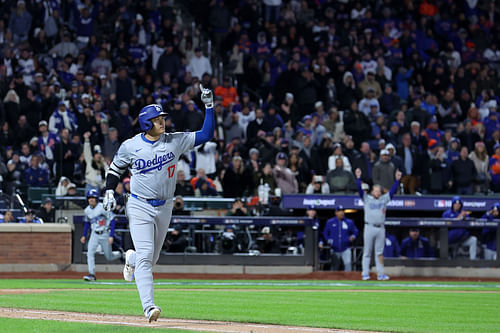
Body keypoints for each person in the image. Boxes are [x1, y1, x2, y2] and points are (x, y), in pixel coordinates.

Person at [102, 85, 214, 322]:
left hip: (165, 206)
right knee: (146, 257)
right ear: (146, 123)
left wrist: (209, 106)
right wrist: (109, 191)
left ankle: (130, 258)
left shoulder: (175, 141)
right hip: (139, 204)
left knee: (150, 259)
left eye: (162, 118)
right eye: (156, 119)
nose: (162, 122)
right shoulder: (131, 146)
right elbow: (114, 169)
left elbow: (206, 134)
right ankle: (148, 307)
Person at [355, 167, 402, 281]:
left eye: (379, 191)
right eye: (375, 190)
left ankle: (381, 274)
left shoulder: (383, 199)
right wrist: (358, 178)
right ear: (372, 191)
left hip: (380, 227)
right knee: (367, 251)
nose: (377, 192)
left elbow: (392, 192)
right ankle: (365, 274)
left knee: (379, 252)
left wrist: (397, 180)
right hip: (369, 226)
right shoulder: (367, 198)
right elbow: (360, 190)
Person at [80, 189, 122, 282]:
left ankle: (120, 254)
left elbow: (113, 219)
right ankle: (92, 274)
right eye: (90, 198)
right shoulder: (87, 210)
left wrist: (111, 235)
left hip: (105, 234)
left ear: (97, 199)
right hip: (94, 234)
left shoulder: (103, 207)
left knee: (109, 257)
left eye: (93, 198)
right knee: (90, 253)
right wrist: (84, 235)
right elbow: (87, 223)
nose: (91, 200)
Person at [320, 205, 359, 271]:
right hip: (334, 248)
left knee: (348, 264)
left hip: (346, 248)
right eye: (339, 211)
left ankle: (348, 280)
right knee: (335, 266)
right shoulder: (330, 222)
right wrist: (329, 240)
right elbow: (325, 233)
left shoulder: (349, 222)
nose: (341, 213)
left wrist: (353, 236)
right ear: (336, 213)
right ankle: (333, 280)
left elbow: (356, 231)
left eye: (342, 211)